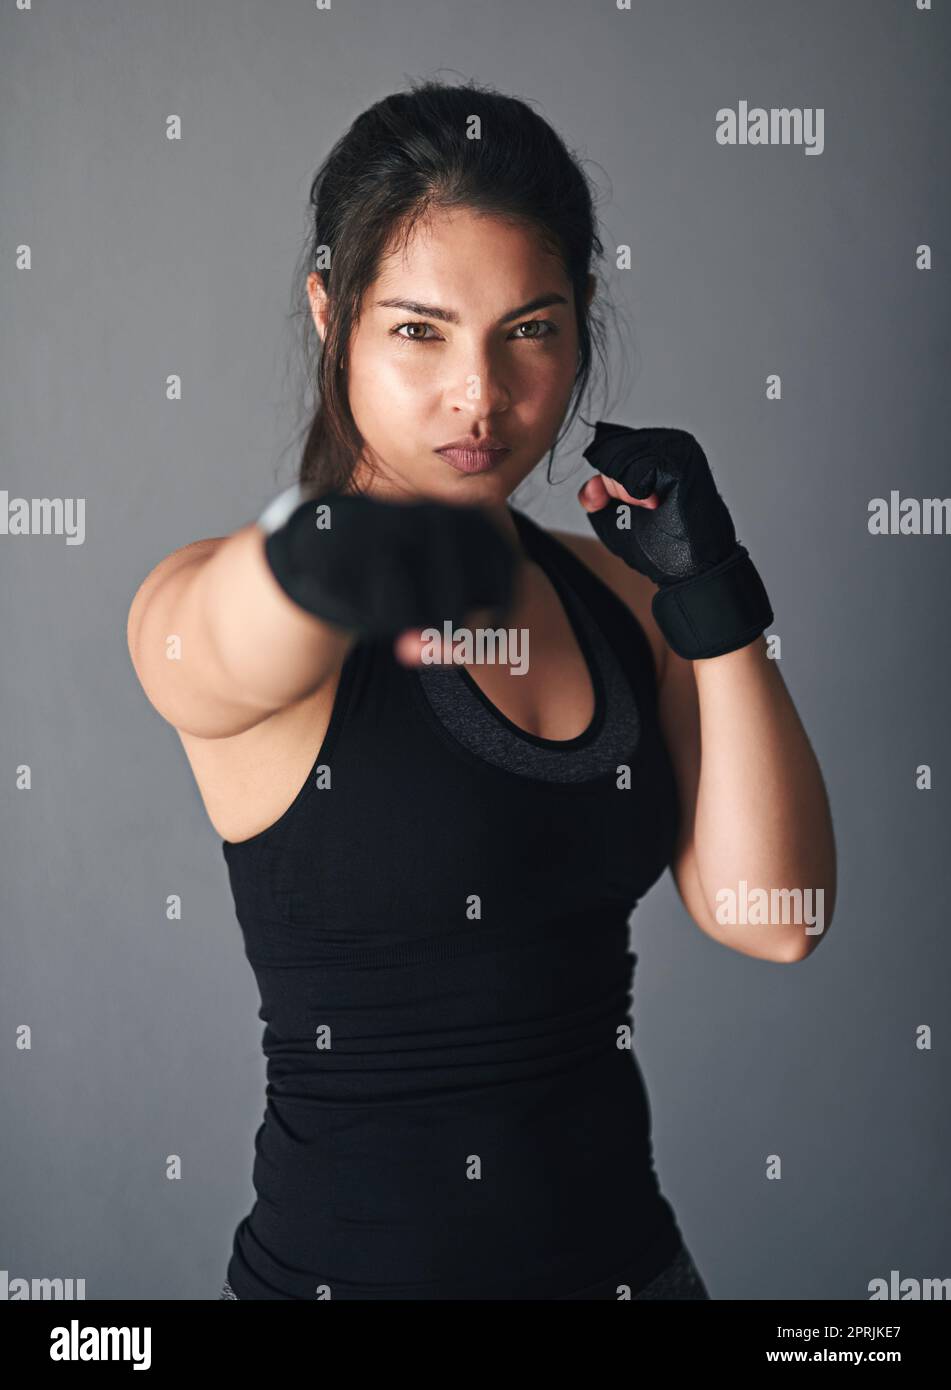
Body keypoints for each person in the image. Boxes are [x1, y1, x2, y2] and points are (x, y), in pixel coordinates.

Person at [126, 79, 836, 1300]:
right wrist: (318, 557)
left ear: (580, 326)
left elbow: (775, 915)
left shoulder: (619, 602)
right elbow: (206, 640)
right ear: (328, 314)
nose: (480, 394)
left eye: (529, 329)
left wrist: (713, 601)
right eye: (419, 331)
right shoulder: (226, 599)